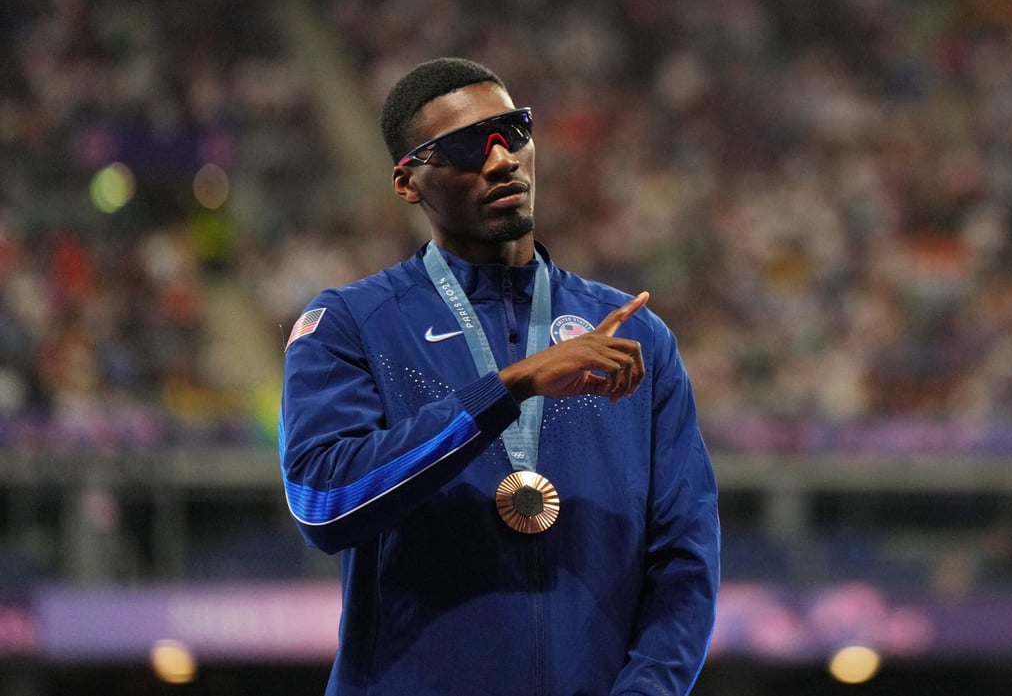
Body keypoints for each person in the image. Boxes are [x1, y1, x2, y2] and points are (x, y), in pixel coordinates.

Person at [279, 57, 720, 696]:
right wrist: (510, 386)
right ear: (409, 182)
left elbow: (685, 558)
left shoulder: (634, 336)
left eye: (512, 132)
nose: (500, 160)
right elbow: (322, 504)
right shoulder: (351, 325)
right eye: (465, 147)